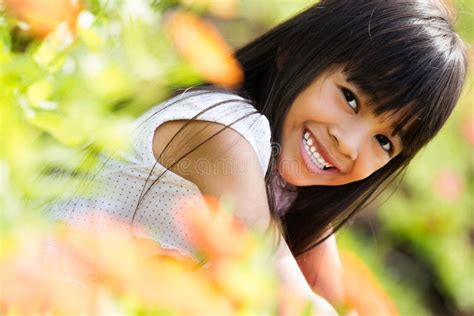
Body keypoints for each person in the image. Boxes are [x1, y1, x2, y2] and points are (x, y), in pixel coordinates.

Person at [48, 0, 467, 314]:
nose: (350, 146)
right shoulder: (225, 131)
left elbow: (328, 294)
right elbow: (273, 274)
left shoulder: (287, 179)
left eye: (385, 142)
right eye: (351, 99)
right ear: (297, 51)